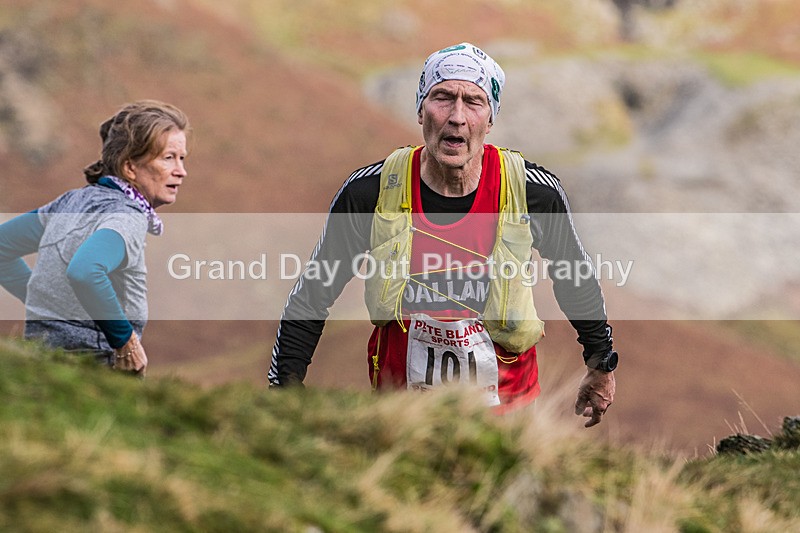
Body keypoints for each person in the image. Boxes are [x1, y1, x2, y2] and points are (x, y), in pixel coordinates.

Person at [268, 43, 617, 426]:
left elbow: (575, 279)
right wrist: (285, 389)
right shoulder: (371, 192)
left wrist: (601, 363)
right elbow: (313, 294)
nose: (457, 117)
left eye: (474, 102)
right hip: (401, 412)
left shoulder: (534, 193)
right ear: (421, 109)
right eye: (442, 97)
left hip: (508, 414)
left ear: (491, 119)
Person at [0, 100, 190, 375]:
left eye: (182, 158)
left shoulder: (70, 202)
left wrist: (42, 301)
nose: (181, 170)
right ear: (130, 168)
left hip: (39, 361)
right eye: (168, 157)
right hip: (98, 366)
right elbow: (86, 271)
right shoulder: (128, 216)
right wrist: (125, 342)